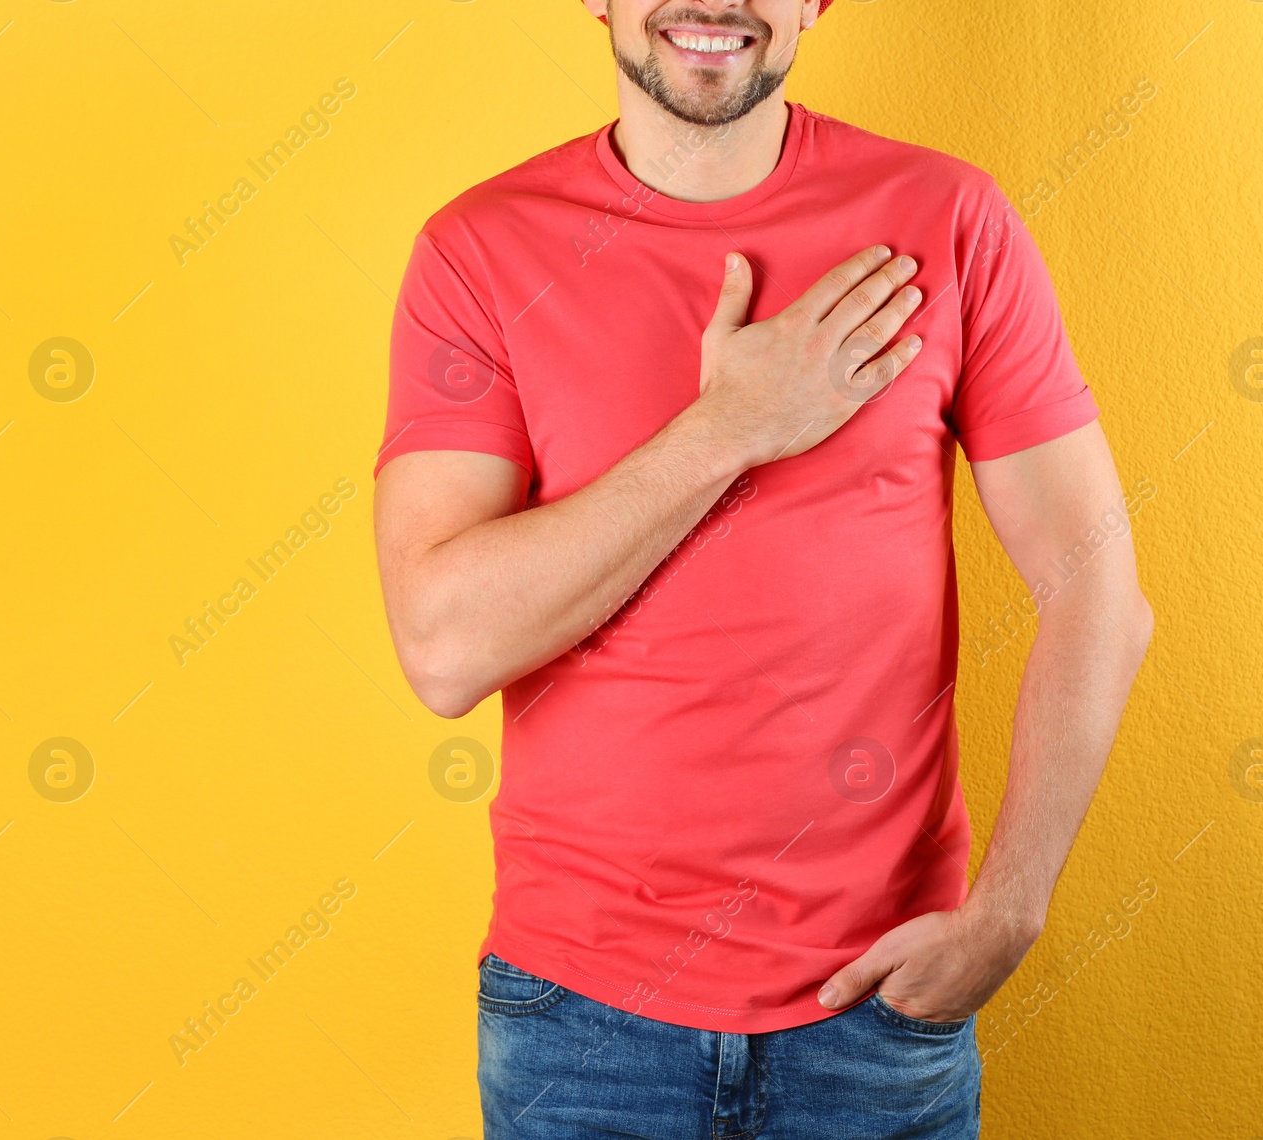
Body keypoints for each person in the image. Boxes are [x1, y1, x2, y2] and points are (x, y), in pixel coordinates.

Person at [372, 1, 1153, 1135]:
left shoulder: (944, 217)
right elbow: (443, 651)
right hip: (578, 1026)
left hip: (878, 1015)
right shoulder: (480, 250)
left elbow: (1095, 585)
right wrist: (730, 426)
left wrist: (1009, 912)